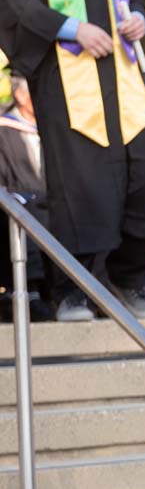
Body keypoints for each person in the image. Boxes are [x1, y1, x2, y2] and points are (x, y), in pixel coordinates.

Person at [0, 0, 145, 322]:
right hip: (69, 75)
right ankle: (73, 289)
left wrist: (139, 15)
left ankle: (128, 277)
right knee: (78, 183)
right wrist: (70, 28)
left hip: (126, 77)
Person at [0, 69, 53, 321]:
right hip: (16, 206)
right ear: (20, 95)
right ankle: (30, 291)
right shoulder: (3, 129)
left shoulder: (50, 131)